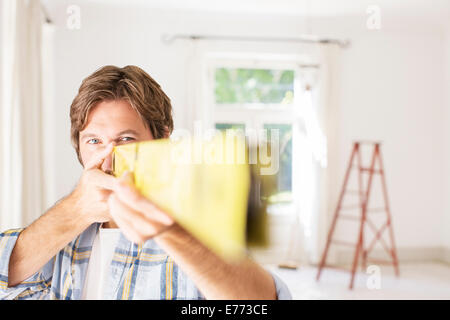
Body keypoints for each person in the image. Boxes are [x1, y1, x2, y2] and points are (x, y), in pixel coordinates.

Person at [0, 65, 292, 300]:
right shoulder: (61, 229)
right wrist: (76, 211)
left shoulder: (195, 224)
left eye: (126, 139)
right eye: (94, 141)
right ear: (78, 146)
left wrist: (172, 231)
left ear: (162, 139)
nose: (108, 159)